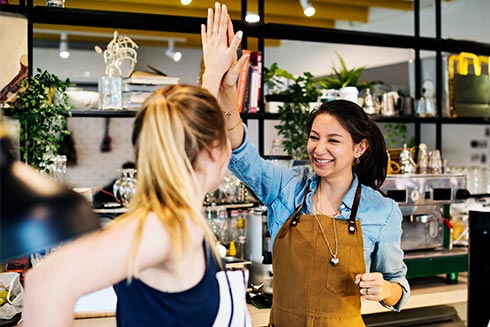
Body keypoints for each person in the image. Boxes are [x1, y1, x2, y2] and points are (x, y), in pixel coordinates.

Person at [201, 3, 410, 326]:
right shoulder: (285, 188)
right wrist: (227, 90)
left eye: (333, 140)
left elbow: (399, 287)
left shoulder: (381, 212)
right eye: (314, 137)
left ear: (360, 147)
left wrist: (385, 289)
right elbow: (238, 149)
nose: (319, 149)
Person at [23, 85, 236, 326]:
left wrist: (218, 77)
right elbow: (46, 282)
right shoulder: (167, 227)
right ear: (215, 149)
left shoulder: (177, 221)